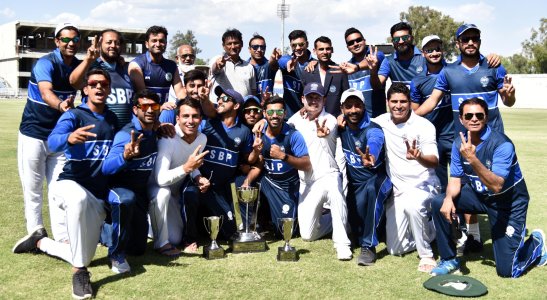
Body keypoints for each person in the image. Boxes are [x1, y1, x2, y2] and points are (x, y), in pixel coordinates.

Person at [13, 68, 118, 300]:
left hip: (96, 195)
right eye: (94, 83)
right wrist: (68, 138)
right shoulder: (74, 115)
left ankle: (40, 243)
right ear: (86, 89)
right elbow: (53, 140)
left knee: (80, 252)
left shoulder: (112, 119)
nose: (99, 87)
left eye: (104, 84)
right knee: (78, 204)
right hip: (69, 184)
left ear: (109, 89)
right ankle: (80, 274)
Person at [430, 98, 547, 277]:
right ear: (461, 119)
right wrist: (448, 199)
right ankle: (449, 259)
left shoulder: (502, 144)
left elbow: (496, 185)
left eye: (479, 115)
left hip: (508, 203)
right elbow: (455, 179)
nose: (474, 119)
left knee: (508, 271)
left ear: (486, 117)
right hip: (479, 196)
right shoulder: (458, 144)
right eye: (468, 115)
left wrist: (472, 159)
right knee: (439, 202)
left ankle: (536, 244)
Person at [16, 22, 81, 243]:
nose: (70, 43)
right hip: (33, 134)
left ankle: (62, 237)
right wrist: (62, 106)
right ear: (57, 41)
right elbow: (46, 92)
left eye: (74, 39)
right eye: (65, 39)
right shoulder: (46, 63)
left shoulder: (79, 65)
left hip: (59, 137)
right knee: (33, 189)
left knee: (59, 188)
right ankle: (35, 231)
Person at [372, 82, 440, 273]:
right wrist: (342, 116)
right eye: (394, 101)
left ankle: (426, 254)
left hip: (424, 184)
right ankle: (434, 230)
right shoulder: (381, 121)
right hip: (398, 189)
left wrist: (419, 156)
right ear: (388, 102)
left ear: (410, 103)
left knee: (413, 206)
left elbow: (434, 161)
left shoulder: (424, 126)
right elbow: (359, 121)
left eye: (403, 101)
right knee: (395, 249)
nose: (398, 106)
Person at [287, 82, 352, 260]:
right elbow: (281, 127)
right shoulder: (295, 120)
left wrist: (325, 132)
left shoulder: (328, 119)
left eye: (317, 97)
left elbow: (329, 128)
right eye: (310, 97)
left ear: (324, 100)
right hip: (307, 182)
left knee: (336, 194)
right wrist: (262, 119)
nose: (314, 101)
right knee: (307, 235)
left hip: (328, 175)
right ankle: (338, 219)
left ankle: (342, 244)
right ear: (303, 100)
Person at [415, 24, 515, 134]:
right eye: (465, 39)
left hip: (493, 137)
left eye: (474, 39)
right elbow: (432, 101)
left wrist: (510, 96)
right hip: (463, 139)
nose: (471, 43)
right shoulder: (448, 71)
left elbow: (509, 102)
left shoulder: (495, 67)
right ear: (458, 44)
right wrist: (409, 118)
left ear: (479, 42)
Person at [100, 90, 160, 273]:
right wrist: (125, 156)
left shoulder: (154, 132)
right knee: (125, 199)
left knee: (138, 249)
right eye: (144, 106)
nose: (149, 110)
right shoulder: (127, 135)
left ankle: (104, 232)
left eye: (154, 106)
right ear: (135, 110)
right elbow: (106, 168)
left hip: (139, 193)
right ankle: (116, 254)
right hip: (118, 189)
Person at [148, 98, 210, 256]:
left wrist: (198, 178)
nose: (191, 121)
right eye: (186, 116)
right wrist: (186, 168)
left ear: (200, 119)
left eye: (195, 116)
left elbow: (191, 165)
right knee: (163, 192)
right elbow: (160, 180)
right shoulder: (167, 138)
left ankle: (153, 226)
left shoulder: (202, 139)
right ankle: (159, 241)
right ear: (178, 119)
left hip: (174, 195)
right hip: (155, 191)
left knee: (175, 239)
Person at [337, 88, 391, 266]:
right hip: (355, 185)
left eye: (358, 105)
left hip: (377, 179)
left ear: (364, 106)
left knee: (372, 189)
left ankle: (369, 247)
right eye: (349, 106)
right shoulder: (341, 127)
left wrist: (372, 156)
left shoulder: (372, 128)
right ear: (342, 108)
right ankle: (374, 233)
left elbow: (375, 140)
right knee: (356, 231)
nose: (353, 110)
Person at [198, 86, 256, 240]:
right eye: (218, 98)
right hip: (206, 183)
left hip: (227, 183)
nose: (220, 101)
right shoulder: (209, 123)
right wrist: (204, 99)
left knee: (232, 225)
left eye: (224, 99)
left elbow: (247, 157)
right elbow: (209, 108)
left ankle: (247, 228)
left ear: (236, 105)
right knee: (227, 229)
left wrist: (256, 152)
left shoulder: (244, 131)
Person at [255, 95, 311, 236]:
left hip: (287, 186)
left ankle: (325, 213)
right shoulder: (258, 132)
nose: (275, 116)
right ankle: (254, 225)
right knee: (242, 183)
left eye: (279, 112)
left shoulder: (293, 135)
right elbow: (253, 160)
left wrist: (283, 156)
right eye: (270, 112)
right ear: (264, 114)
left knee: (286, 232)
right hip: (268, 181)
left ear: (285, 114)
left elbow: (307, 165)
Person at [409, 35, 453, 191]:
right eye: (429, 50)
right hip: (433, 139)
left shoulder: (454, 72)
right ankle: (442, 215)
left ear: (442, 50)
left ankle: (461, 215)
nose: (434, 53)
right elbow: (415, 112)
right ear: (423, 53)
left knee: (462, 182)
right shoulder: (417, 81)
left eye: (437, 49)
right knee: (439, 184)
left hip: (456, 137)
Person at [70, 29, 134, 127]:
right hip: (98, 130)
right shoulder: (92, 66)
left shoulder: (126, 68)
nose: (113, 45)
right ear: (100, 44)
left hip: (125, 133)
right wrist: (88, 60)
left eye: (116, 43)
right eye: (109, 42)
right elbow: (74, 82)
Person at [128, 25, 185, 124]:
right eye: (154, 41)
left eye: (161, 41)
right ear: (146, 44)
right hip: (144, 114)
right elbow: (143, 96)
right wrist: (159, 107)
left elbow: (180, 93)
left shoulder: (171, 65)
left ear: (166, 44)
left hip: (163, 113)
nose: (158, 44)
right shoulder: (137, 64)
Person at [343, 27, 386, 118]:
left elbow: (372, 60)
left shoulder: (377, 55)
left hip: (378, 119)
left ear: (364, 41)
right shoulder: (349, 67)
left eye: (358, 40)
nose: (355, 44)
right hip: (357, 121)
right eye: (351, 43)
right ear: (347, 47)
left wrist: (357, 67)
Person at [301, 36, 349, 117]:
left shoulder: (340, 72)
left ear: (332, 50)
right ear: (314, 51)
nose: (325, 52)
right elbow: (304, 98)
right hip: (313, 120)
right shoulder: (308, 72)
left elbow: (346, 98)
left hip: (336, 121)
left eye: (328, 49)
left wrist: (342, 115)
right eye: (321, 49)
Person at [209, 28, 256, 103]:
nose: (233, 47)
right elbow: (215, 69)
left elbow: (253, 92)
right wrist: (218, 65)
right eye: (229, 44)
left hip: (241, 110)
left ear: (242, 44)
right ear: (223, 46)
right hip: (220, 109)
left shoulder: (249, 67)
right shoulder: (217, 59)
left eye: (236, 43)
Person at [277, 30, 315, 118]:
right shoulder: (287, 60)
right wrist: (288, 63)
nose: (297, 48)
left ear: (307, 44)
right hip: (288, 118)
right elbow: (281, 61)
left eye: (301, 44)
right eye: (294, 45)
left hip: (309, 118)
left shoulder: (315, 64)